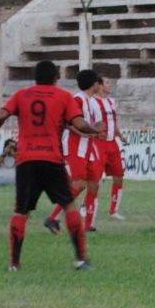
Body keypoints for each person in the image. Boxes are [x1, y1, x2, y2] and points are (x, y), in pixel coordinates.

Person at [0, 61, 101, 271]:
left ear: (35, 77)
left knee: (21, 211)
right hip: (51, 160)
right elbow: (79, 124)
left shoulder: (22, 94)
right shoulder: (64, 96)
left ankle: (14, 263)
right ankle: (81, 259)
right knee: (68, 205)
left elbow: (2, 114)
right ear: (56, 77)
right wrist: (94, 130)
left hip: (26, 161)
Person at [44, 69, 104, 234]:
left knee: (93, 185)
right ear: (94, 84)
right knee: (78, 185)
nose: (100, 85)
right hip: (76, 146)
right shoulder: (77, 99)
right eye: (98, 82)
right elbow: (67, 122)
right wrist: (87, 132)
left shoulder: (90, 101)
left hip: (89, 146)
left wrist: (96, 133)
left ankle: (88, 226)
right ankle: (52, 218)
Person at [91, 76, 129, 220]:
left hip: (112, 143)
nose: (110, 84)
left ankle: (113, 211)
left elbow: (114, 123)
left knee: (119, 175)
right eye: (107, 82)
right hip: (99, 143)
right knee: (95, 179)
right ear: (99, 85)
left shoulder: (111, 102)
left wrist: (121, 136)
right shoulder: (92, 102)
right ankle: (85, 206)